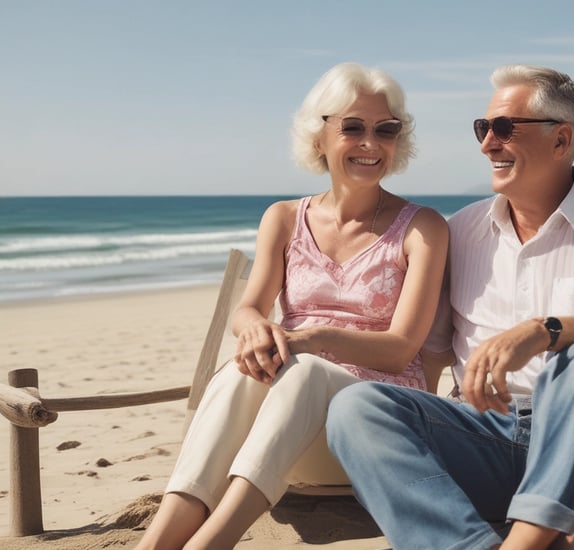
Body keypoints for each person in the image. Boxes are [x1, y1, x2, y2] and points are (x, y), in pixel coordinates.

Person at [327, 64, 574, 550]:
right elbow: (433, 352)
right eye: (483, 128)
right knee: (356, 405)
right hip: (487, 433)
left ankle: (529, 539)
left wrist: (543, 331)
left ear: (561, 140)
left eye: (503, 128)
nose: (487, 144)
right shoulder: (459, 231)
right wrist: (421, 418)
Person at [136, 62, 449, 550]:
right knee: (242, 370)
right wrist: (256, 329)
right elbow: (247, 310)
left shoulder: (423, 227)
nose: (371, 143)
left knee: (303, 369)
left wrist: (312, 339)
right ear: (318, 136)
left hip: (373, 434)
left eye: (385, 130)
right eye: (352, 127)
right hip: (279, 439)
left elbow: (398, 348)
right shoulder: (283, 218)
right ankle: (156, 542)